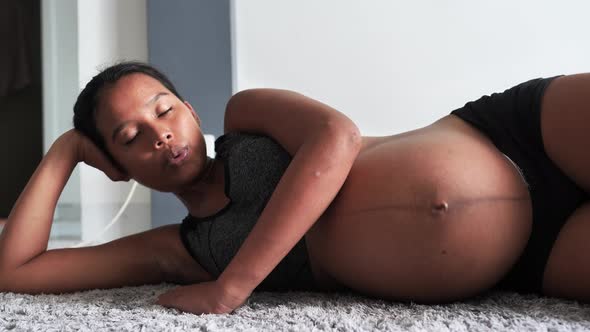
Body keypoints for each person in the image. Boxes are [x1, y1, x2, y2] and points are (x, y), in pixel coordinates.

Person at [0, 61, 588, 315]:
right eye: (130, 136)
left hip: (516, 129)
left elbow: (337, 136)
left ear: (189, 109)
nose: (161, 133)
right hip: (531, 259)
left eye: (165, 109)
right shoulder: (178, 251)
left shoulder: (245, 114)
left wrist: (232, 287)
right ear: (117, 165)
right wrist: (67, 149)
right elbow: (15, 272)